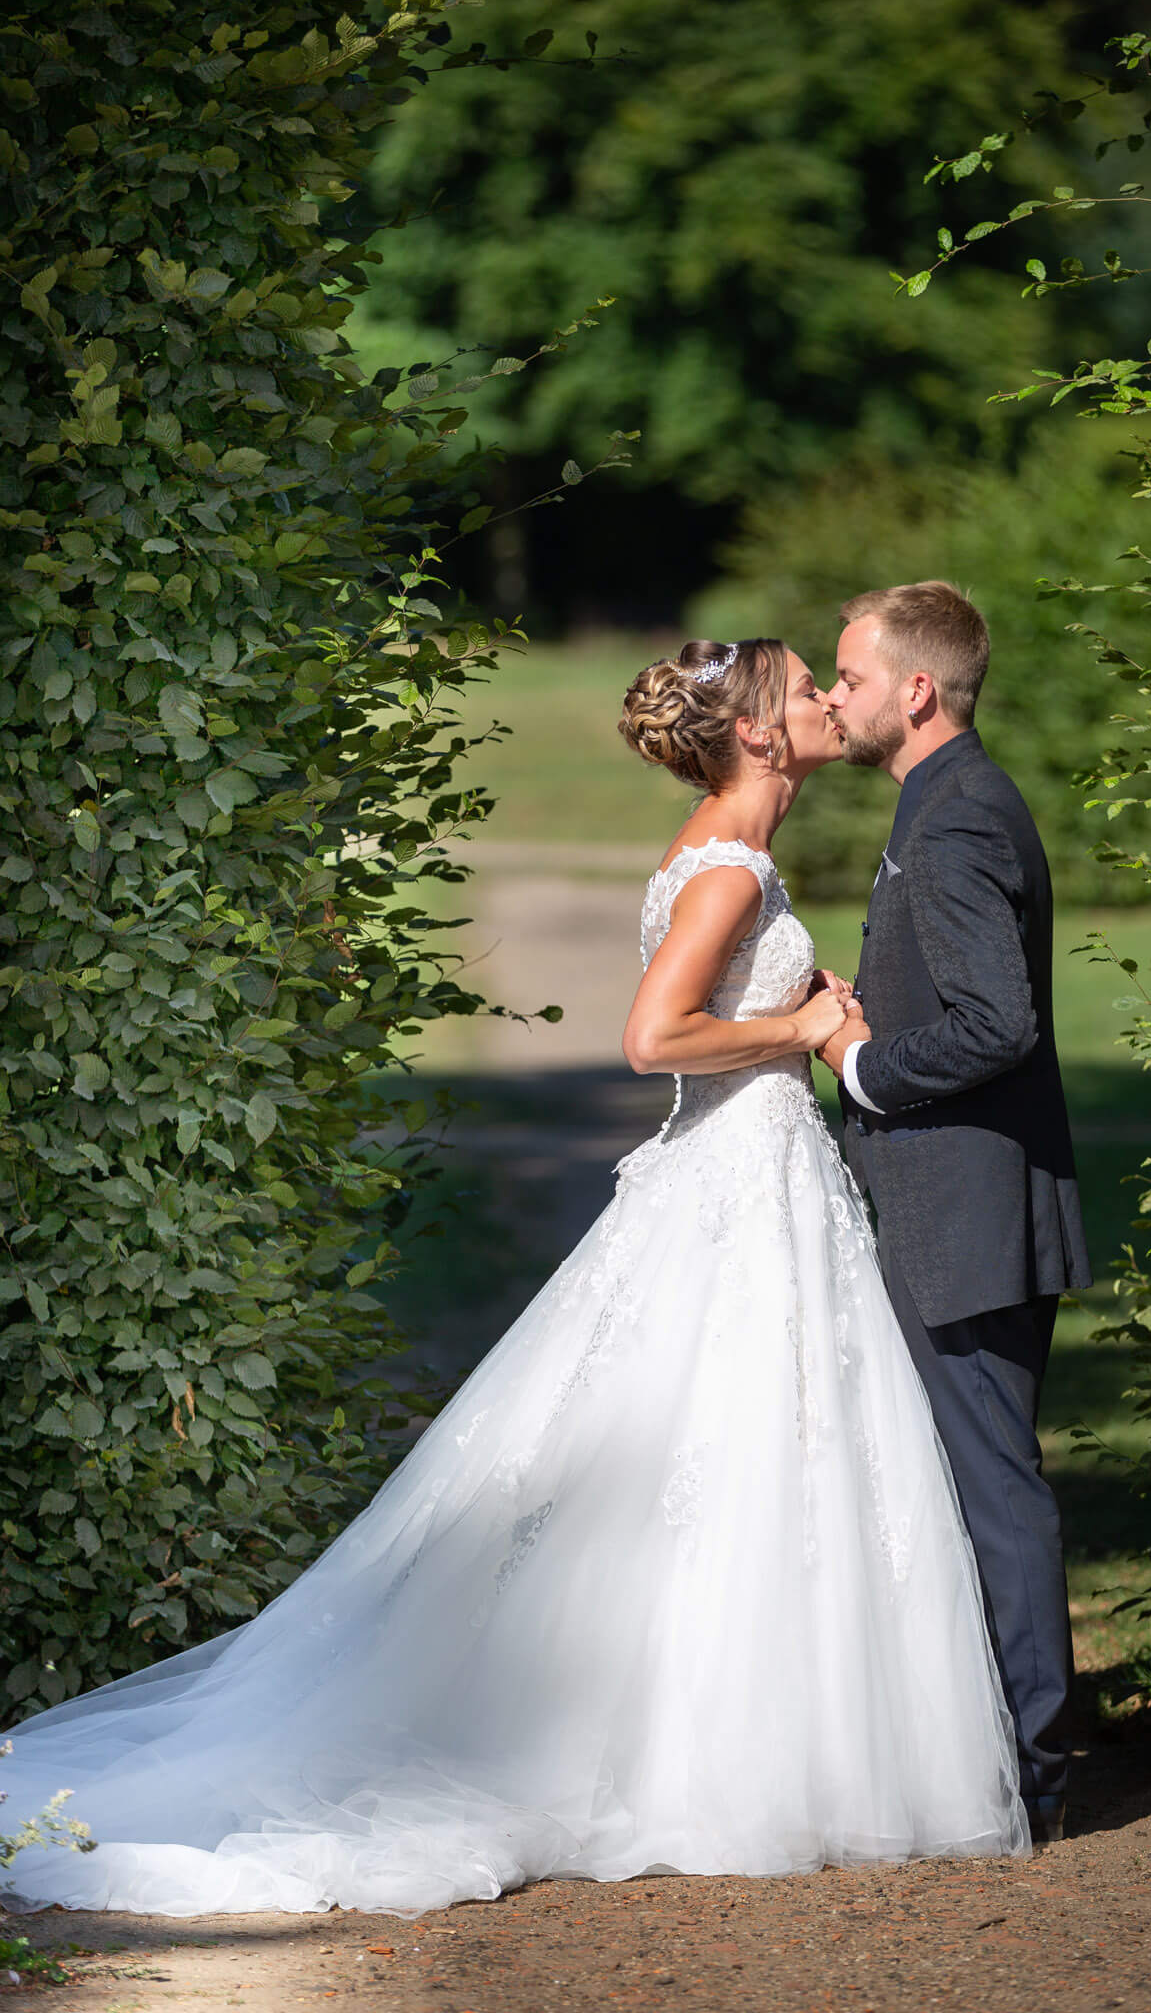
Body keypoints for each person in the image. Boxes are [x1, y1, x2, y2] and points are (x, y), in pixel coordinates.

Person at [1, 636, 1027, 1921]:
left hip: (757, 1177)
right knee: (741, 1442)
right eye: (801, 688)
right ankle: (711, 1762)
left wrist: (798, 1012)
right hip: (736, 1178)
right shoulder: (729, 864)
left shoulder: (732, 852)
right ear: (759, 734)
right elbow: (655, 1037)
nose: (825, 698)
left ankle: (741, 1739)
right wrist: (805, 1026)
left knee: (738, 1454)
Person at [815, 583, 1091, 1847]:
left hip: (964, 1212)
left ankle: (1033, 1769)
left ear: (914, 690)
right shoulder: (947, 801)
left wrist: (863, 1066)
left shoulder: (957, 822)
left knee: (994, 1488)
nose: (836, 697)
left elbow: (997, 1025)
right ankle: (997, 1744)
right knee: (975, 1480)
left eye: (851, 678)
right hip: (960, 1202)